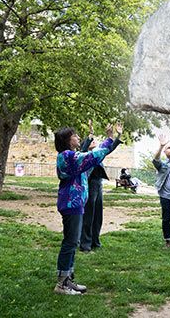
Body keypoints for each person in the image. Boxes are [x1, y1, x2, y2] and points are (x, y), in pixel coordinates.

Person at [53, 123, 116, 295]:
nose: (78, 138)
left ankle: (68, 279)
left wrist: (109, 140)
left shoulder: (72, 155)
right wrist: (110, 139)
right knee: (71, 242)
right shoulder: (67, 156)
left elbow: (90, 155)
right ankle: (61, 284)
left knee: (73, 242)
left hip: (75, 204)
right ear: (67, 140)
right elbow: (93, 156)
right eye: (75, 135)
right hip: (71, 204)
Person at [79, 121, 123, 252]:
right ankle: (85, 245)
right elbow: (82, 149)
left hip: (98, 185)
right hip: (88, 185)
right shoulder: (84, 155)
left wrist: (115, 135)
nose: (94, 142)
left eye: (94, 141)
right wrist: (90, 135)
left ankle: (95, 241)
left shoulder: (97, 153)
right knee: (88, 215)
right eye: (92, 141)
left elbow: (107, 148)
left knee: (98, 215)